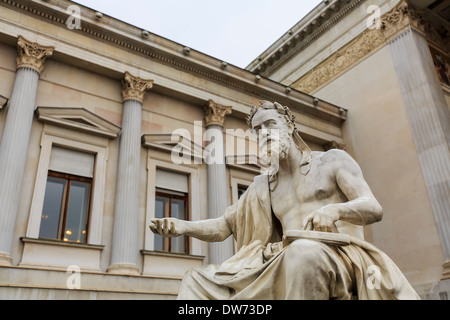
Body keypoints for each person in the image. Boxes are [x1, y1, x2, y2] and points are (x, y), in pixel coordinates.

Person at [150, 100, 419, 300]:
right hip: (283, 258)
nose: (263, 132)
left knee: (303, 253)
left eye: (270, 124)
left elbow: (373, 207)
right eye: (257, 129)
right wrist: (182, 227)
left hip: (340, 253)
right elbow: (223, 226)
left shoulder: (331, 161)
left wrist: (336, 210)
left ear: (289, 126)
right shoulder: (263, 186)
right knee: (195, 280)